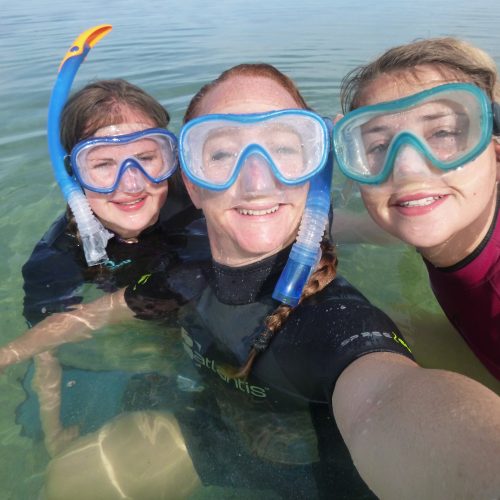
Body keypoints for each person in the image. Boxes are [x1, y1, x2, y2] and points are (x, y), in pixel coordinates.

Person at [2, 63, 500, 499]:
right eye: (220, 154)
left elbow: (389, 400)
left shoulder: (337, 327)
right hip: (218, 429)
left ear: (315, 169)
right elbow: (91, 316)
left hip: (327, 473)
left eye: (285, 149)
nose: (256, 180)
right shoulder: (184, 274)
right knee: (74, 478)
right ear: (192, 182)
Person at [16, 78, 207, 456]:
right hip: (146, 316)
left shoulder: (197, 199)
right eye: (103, 164)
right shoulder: (57, 257)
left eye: (148, 158)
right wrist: (54, 433)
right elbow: (46, 349)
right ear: (73, 175)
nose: (132, 183)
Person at [333, 37, 500, 379]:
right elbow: (351, 226)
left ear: (495, 151)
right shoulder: (446, 217)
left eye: (443, 132)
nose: (407, 168)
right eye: (378, 144)